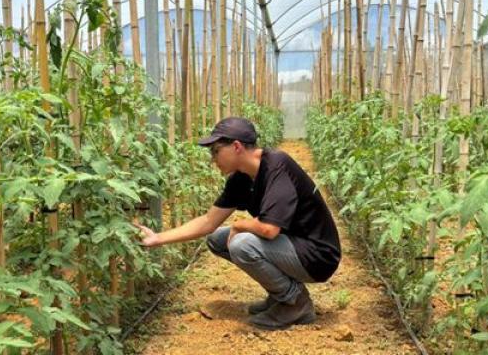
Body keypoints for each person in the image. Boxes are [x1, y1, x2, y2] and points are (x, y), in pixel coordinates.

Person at [135, 117, 342, 330]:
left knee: (241, 244)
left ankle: (296, 303)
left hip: (318, 255)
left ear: (236, 147)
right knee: (217, 240)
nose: (212, 159)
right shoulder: (241, 178)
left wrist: (239, 225)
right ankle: (281, 294)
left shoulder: (277, 166)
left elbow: (270, 230)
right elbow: (208, 222)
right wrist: (158, 238)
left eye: (215, 151)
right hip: (292, 245)